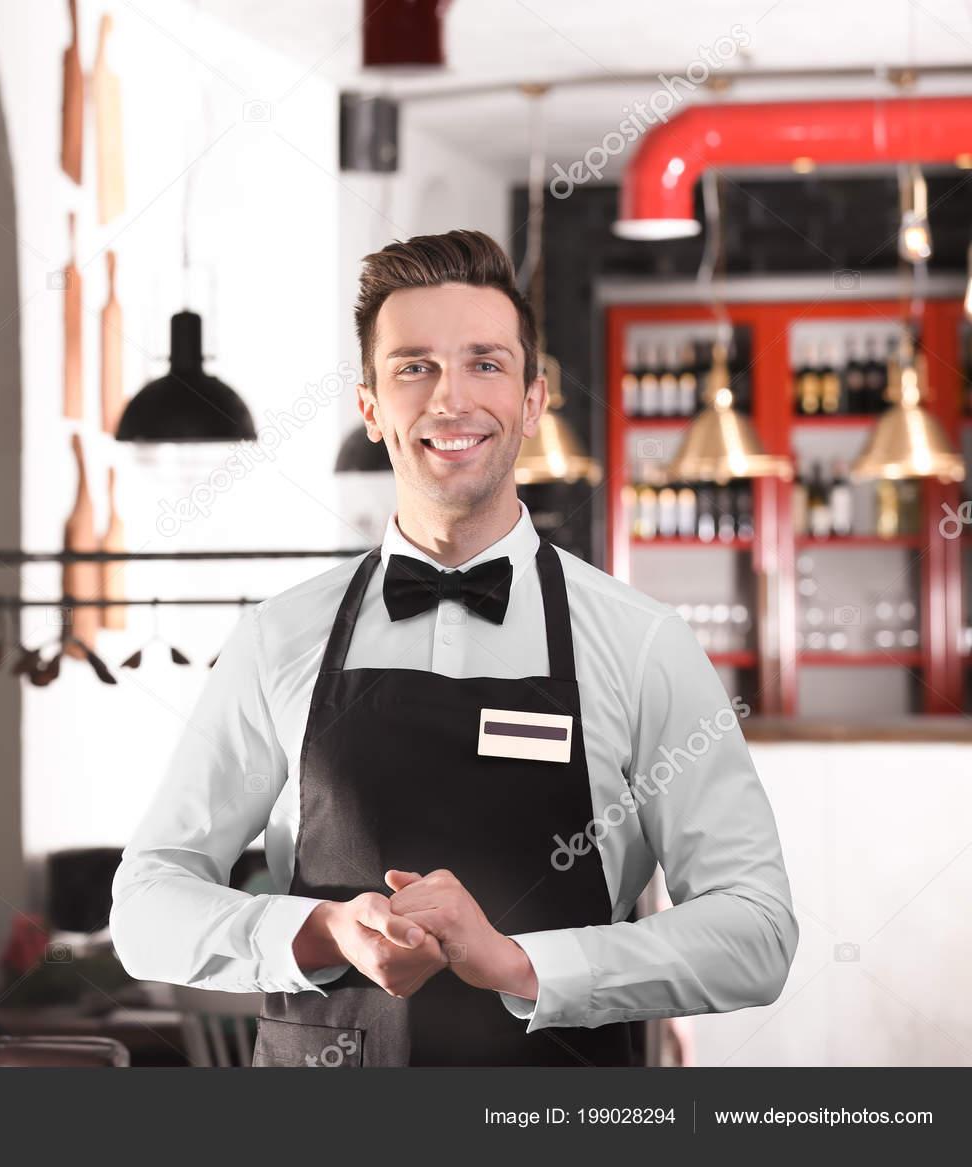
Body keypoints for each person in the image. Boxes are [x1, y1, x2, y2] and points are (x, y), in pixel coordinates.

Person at [109, 229, 798, 1066]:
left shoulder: (642, 643)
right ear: (371, 408)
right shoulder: (276, 638)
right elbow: (144, 905)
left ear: (534, 401)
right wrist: (321, 930)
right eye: (414, 367)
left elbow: (757, 928)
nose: (451, 398)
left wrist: (521, 965)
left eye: (484, 363)